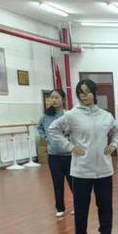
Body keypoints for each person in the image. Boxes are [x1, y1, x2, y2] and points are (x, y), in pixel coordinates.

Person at [48, 79, 118, 234]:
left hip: (104, 170)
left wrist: (113, 145)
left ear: (95, 93)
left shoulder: (106, 116)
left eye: (88, 92)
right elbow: (53, 130)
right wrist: (70, 147)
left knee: (105, 207)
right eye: (81, 93)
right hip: (81, 170)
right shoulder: (72, 115)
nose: (84, 96)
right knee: (81, 209)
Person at [37, 88, 73, 217]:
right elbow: (39, 127)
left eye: (56, 97)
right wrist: (46, 137)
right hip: (54, 156)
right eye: (51, 97)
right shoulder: (45, 116)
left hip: (69, 155)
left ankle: (77, 205)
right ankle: (60, 208)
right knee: (57, 183)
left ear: (63, 99)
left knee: (73, 182)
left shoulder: (68, 115)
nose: (54, 100)